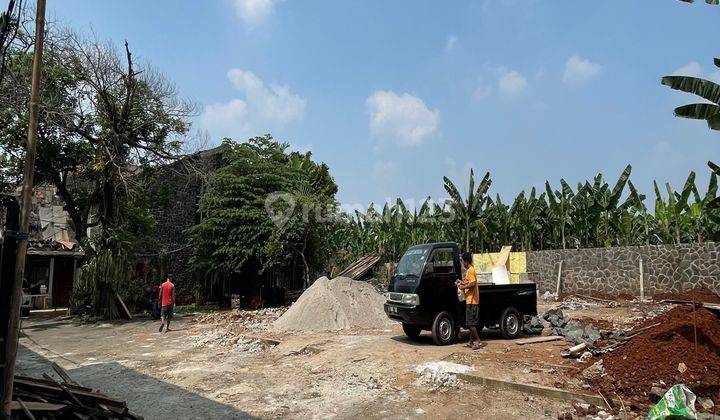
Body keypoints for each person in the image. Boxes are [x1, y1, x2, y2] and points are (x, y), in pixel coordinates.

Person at [456, 252, 484, 350]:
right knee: (469, 323)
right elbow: (468, 281)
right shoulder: (469, 271)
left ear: (466, 261)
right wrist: (461, 282)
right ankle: (471, 342)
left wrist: (463, 287)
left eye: (463, 261)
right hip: (470, 300)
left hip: (472, 301)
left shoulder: (471, 270)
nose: (462, 264)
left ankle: (478, 341)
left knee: (471, 323)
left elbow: (472, 283)